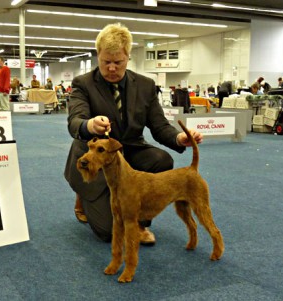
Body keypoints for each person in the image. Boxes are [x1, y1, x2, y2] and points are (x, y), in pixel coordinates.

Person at [64, 23, 203, 244]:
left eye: (117, 62)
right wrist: (89, 125)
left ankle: (139, 223)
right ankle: (85, 194)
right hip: (98, 155)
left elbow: (159, 126)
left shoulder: (146, 85)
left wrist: (179, 137)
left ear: (128, 56)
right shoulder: (83, 83)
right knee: (109, 233)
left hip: (131, 150)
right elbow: (75, 121)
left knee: (161, 160)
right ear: (98, 55)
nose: (111, 68)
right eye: (105, 62)